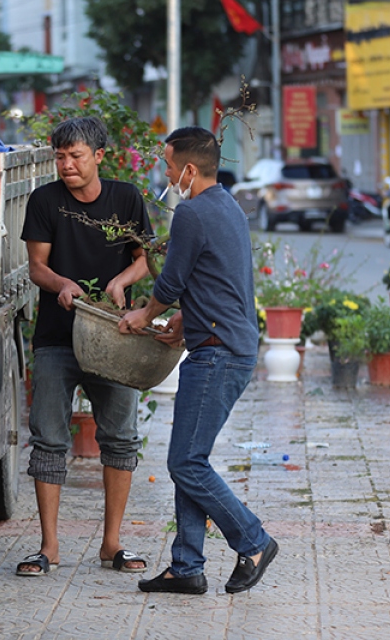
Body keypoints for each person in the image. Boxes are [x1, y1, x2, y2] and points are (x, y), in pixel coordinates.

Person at [118, 127, 277, 596]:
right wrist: (184, 323)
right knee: (191, 457)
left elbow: (170, 284)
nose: (166, 174)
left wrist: (141, 315)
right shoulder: (227, 206)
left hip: (218, 352)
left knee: (186, 462)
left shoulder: (191, 212)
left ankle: (253, 540)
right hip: (223, 343)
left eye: (169, 166)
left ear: (189, 168)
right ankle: (186, 567)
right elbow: (216, 281)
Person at [17, 116, 152, 577]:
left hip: (116, 337)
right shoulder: (45, 200)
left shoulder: (127, 198)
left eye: (75, 156)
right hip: (57, 336)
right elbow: (37, 266)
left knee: (120, 439)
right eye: (60, 156)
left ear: (98, 156)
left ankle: (112, 543)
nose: (67, 164)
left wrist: (121, 280)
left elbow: (144, 260)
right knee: (49, 440)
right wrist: (62, 284)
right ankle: (49, 547)